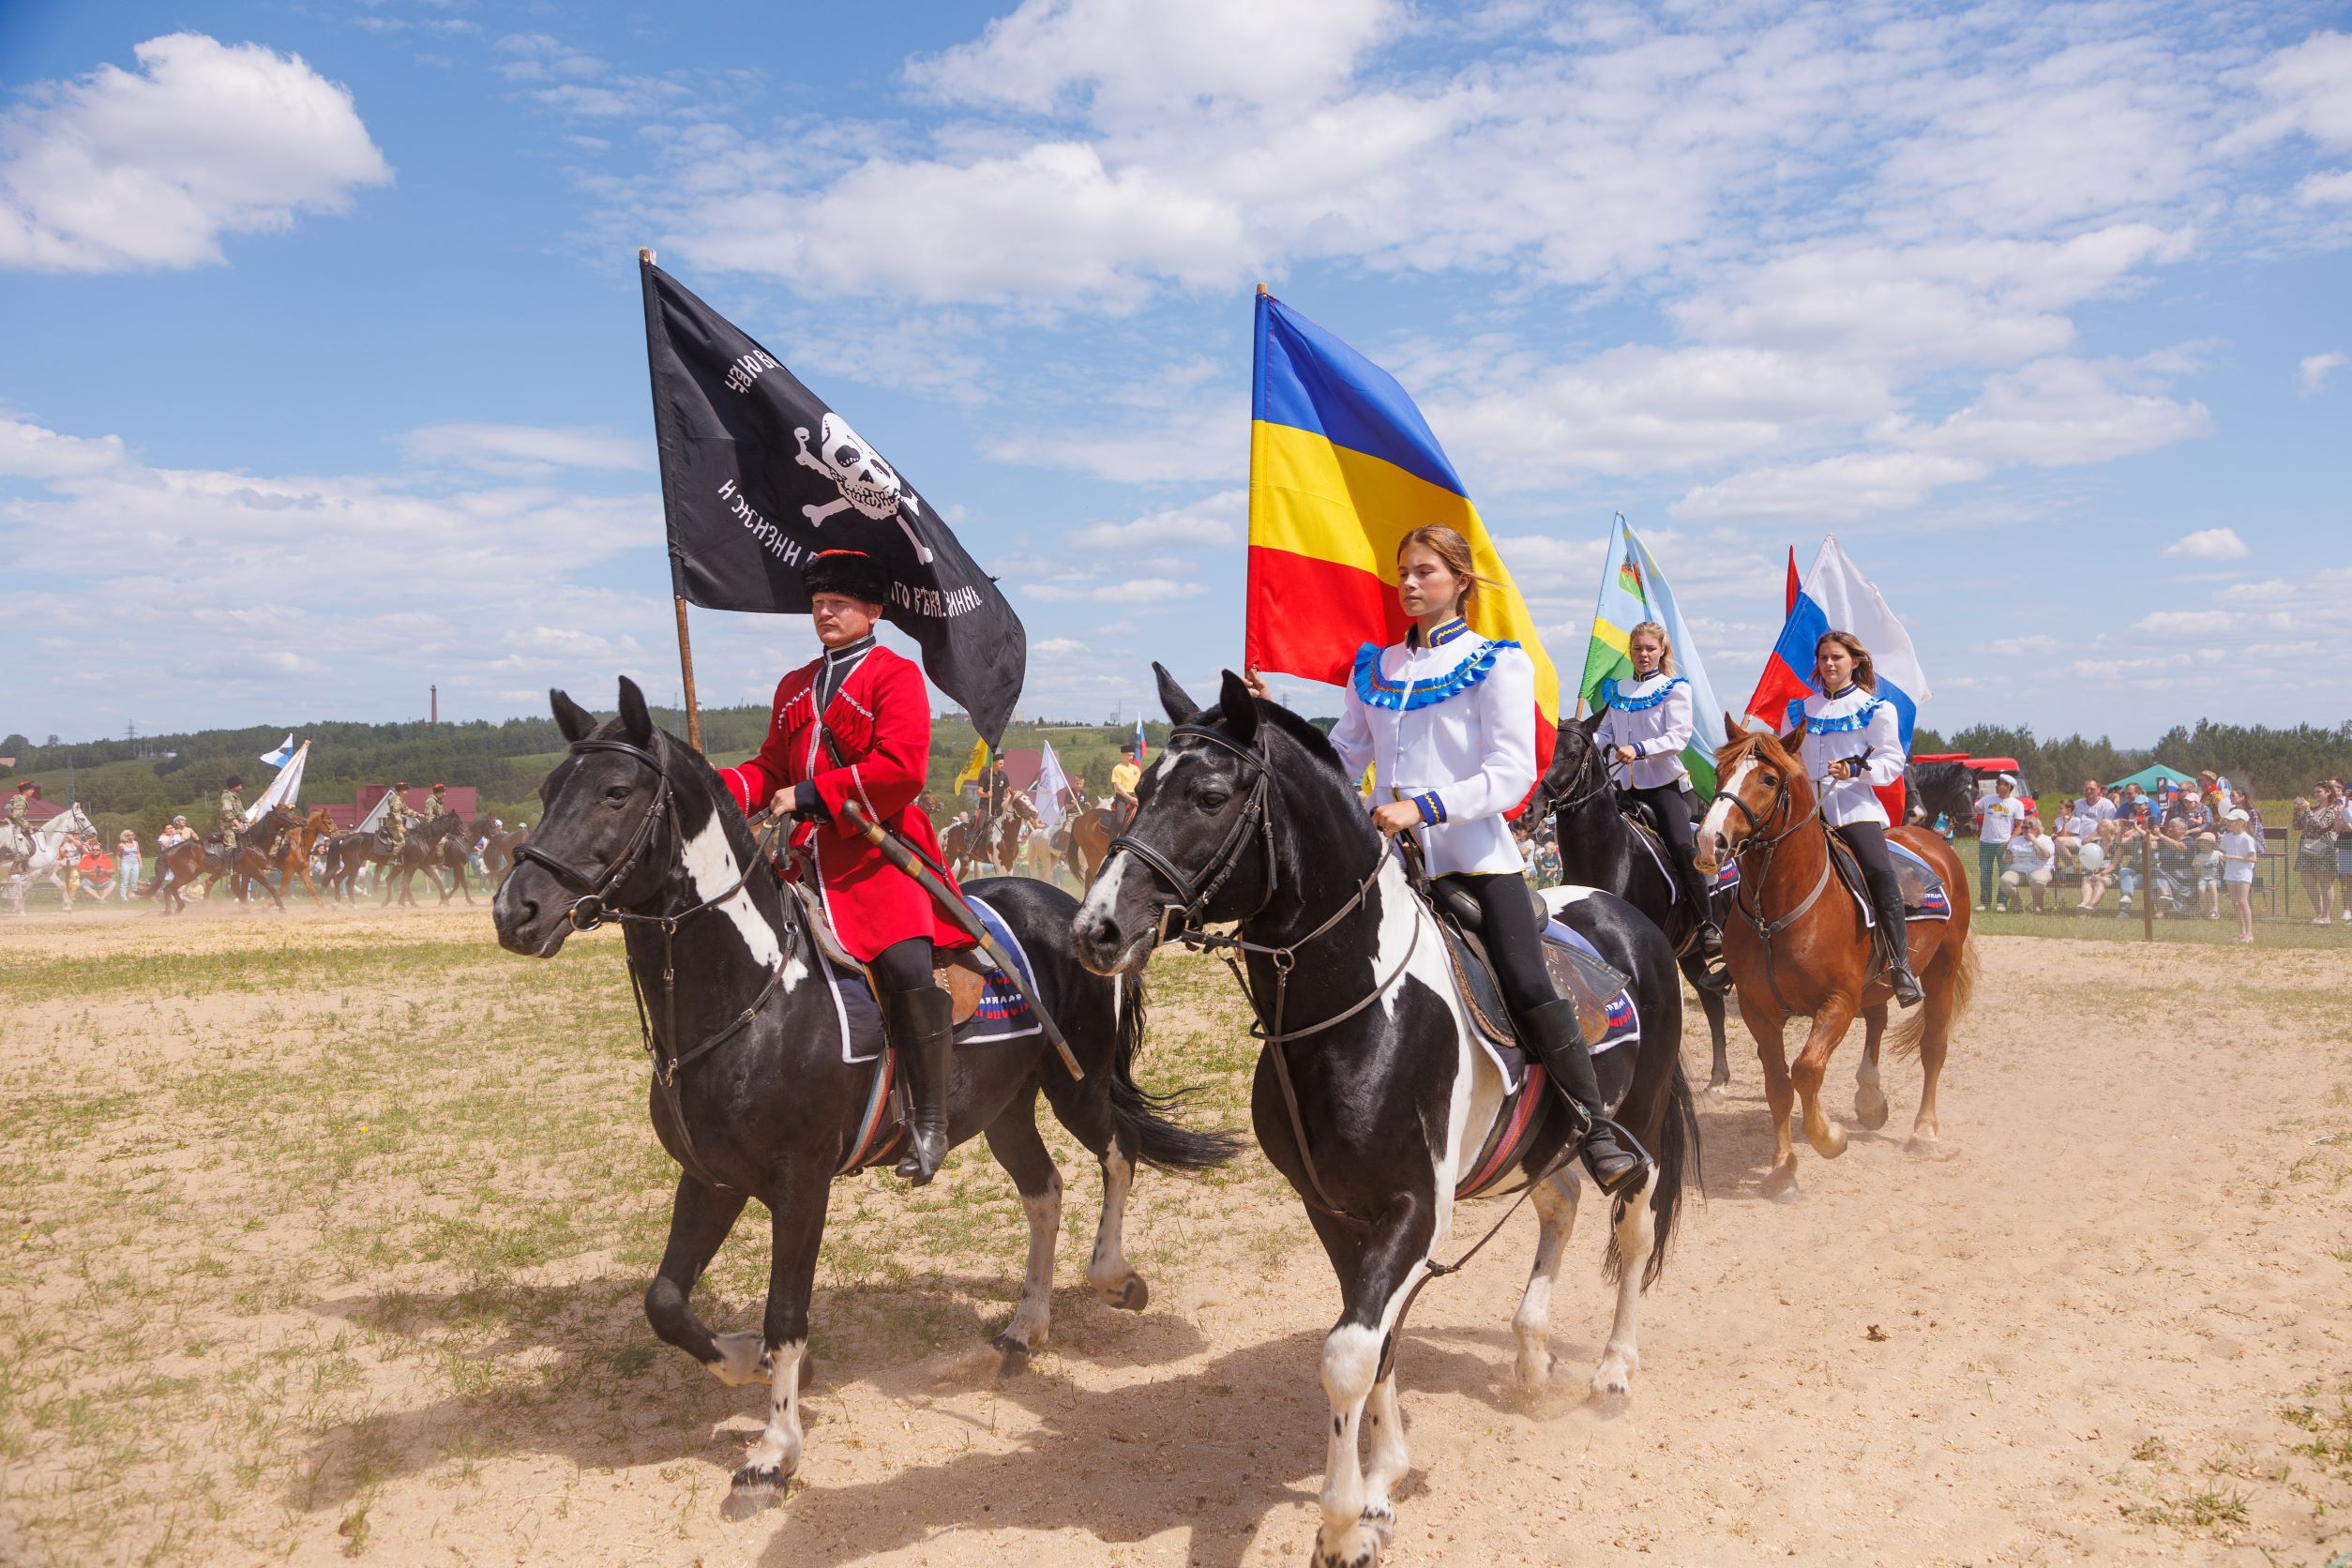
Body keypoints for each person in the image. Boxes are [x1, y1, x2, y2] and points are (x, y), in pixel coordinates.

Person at [1257, 523, 1646, 1193]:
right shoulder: (1374, 668)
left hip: (1474, 862)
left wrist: (1423, 807)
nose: (1410, 583)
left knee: (1526, 981)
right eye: (1404, 571)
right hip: (1383, 865)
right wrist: (1274, 727)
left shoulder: (1498, 662)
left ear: (1461, 581)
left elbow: (1510, 772)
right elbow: (1343, 759)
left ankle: (1593, 1122)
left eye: (1426, 571)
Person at [715, 549, 974, 1185]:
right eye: (818, 603)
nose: (825, 612)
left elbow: (903, 768)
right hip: (804, 859)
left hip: (878, 850)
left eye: (840, 603)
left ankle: (931, 1120)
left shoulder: (895, 675)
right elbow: (769, 770)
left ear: (873, 611)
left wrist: (811, 796)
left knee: (908, 965)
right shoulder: (794, 686)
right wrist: (716, 789)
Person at [1787, 631, 1924, 1004]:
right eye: (1823, 658)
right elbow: (1785, 756)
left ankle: (1900, 964)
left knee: (1880, 874)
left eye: (1837, 657)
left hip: (1852, 808)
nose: (1829, 664)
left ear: (1855, 661)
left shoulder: (1876, 708)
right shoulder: (1799, 709)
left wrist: (1854, 769)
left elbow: (1892, 761)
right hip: (1802, 814)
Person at [1594, 619, 1721, 960]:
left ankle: (1707, 922)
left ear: (1662, 650)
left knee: (1682, 847)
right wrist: (1577, 743)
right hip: (1621, 785)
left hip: (1662, 784)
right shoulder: (1617, 688)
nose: (1643, 654)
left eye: (1650, 648)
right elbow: (1605, 733)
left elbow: (1678, 736)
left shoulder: (1674, 687)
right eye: (1637, 649)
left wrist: (1640, 749)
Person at [1975, 774, 2027, 911]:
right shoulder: (1987, 799)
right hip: (1985, 843)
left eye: (1999, 783)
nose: (1996, 786)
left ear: (2008, 787)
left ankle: (2001, 902)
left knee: (2004, 873)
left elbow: (2019, 825)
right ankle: (1985, 902)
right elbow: (1974, 809)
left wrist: (2010, 841)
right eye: (1997, 783)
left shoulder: (2017, 804)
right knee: (1985, 873)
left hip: (2004, 844)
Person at [2294, 784, 2340, 925]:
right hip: (2307, 848)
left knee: (2325, 882)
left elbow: (2320, 825)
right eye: (2314, 792)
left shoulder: (2331, 810)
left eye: (2319, 791)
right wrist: (2296, 811)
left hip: (2325, 849)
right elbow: (2297, 826)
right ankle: (2319, 913)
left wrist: (2307, 809)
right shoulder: (2313, 809)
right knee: (2307, 881)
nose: (2316, 794)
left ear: (2328, 792)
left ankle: (2326, 916)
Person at [1998, 815, 2055, 913]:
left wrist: (2034, 841)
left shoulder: (2046, 840)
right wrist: (2008, 855)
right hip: (2017, 870)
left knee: (2038, 881)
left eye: (2027, 828)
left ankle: (2037, 907)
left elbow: (2045, 856)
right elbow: (2006, 860)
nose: (2023, 830)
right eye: (2022, 828)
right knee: (2005, 880)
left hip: (2040, 869)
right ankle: (2018, 904)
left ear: (2036, 829)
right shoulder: (2016, 841)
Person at [2219, 808, 2260, 942]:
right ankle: (2242, 932)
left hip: (2243, 873)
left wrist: (2233, 857)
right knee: (2235, 903)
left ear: (2241, 822)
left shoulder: (2247, 839)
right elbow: (2222, 852)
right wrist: (2222, 857)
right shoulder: (2227, 837)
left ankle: (2249, 933)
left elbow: (2253, 858)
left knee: (2242, 901)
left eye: (2232, 821)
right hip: (2230, 872)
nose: (2228, 823)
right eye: (2228, 820)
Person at [1109, 744, 1143, 831]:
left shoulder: (1136, 768)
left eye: (1132, 755)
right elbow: (1118, 787)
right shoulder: (1117, 768)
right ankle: (1112, 841)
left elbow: (1139, 784)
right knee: (1120, 821)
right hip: (1122, 798)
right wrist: (1131, 799)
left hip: (1135, 796)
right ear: (1123, 755)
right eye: (1129, 755)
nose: (1131, 757)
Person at [2194, 830, 2223, 920]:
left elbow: (2226, 863)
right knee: (2201, 889)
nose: (2202, 845)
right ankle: (2206, 912)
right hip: (2203, 879)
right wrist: (2197, 867)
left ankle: (2215, 910)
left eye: (2205, 843)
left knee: (2211, 884)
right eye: (2201, 843)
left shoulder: (2218, 854)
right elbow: (2196, 874)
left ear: (2211, 844)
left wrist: (2223, 860)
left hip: (2215, 878)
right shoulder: (2198, 857)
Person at [381, 783, 415, 850]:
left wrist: (417, 814)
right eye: (406, 790)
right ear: (401, 790)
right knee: (401, 842)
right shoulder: (396, 801)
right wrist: (400, 826)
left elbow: (406, 810)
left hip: (396, 824)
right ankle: (393, 858)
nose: (407, 791)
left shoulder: (400, 799)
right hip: (393, 825)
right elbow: (395, 814)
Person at [117, 829, 142, 903]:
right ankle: (124, 899)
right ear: (125, 837)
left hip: (135, 863)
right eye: (129, 835)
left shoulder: (136, 843)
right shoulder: (121, 845)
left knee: (134, 881)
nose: (131, 836)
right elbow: (118, 855)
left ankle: (134, 896)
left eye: (132, 835)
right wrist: (118, 865)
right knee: (124, 881)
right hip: (125, 863)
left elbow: (138, 853)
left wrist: (140, 863)